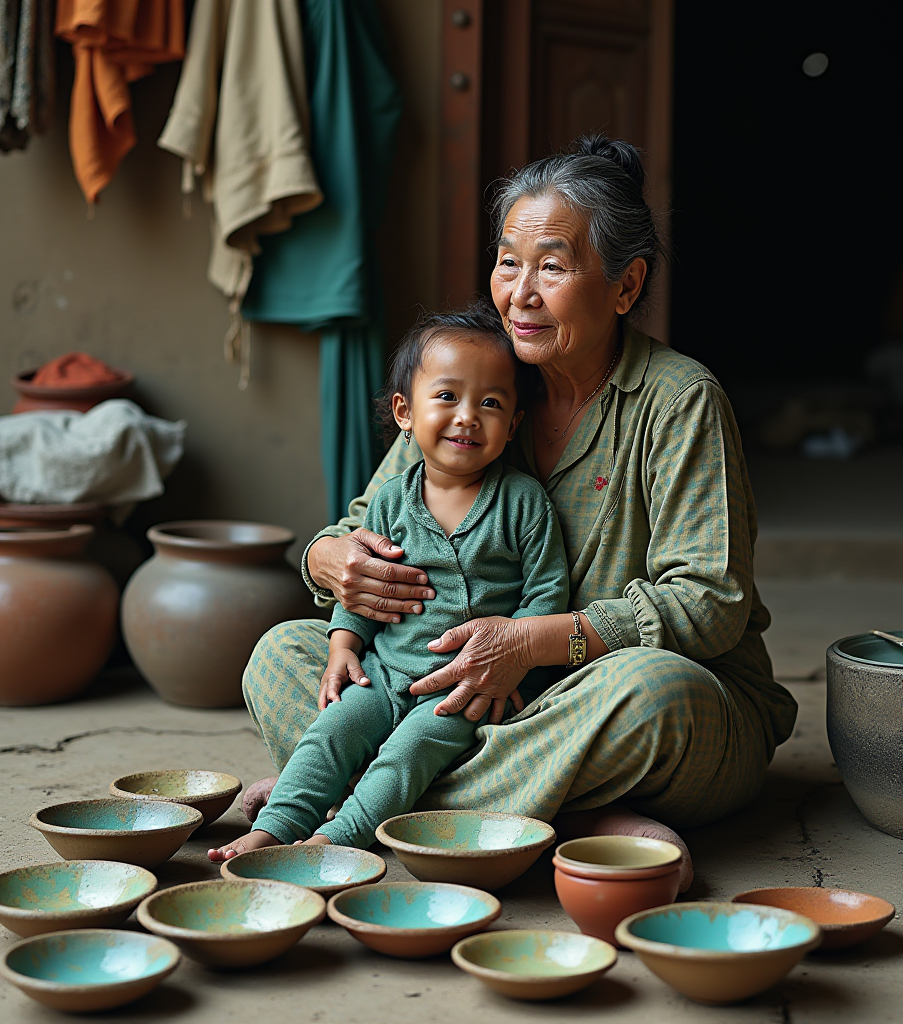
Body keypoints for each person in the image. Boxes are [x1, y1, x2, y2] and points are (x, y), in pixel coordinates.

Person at [241, 135, 798, 889]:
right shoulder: (481, 378)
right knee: (283, 652)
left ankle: (353, 795)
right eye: (508, 261)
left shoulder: (678, 401)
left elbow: (710, 603)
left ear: (626, 286)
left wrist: (531, 643)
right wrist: (329, 560)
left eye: (553, 266)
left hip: (614, 703)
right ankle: (556, 818)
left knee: (653, 690)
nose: (520, 293)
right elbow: (362, 521)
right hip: (461, 703)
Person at [210, 305, 568, 860]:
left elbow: (546, 594)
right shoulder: (392, 498)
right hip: (381, 670)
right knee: (330, 733)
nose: (468, 416)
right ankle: (276, 825)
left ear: (514, 424)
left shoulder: (523, 503)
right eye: (447, 397)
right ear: (405, 412)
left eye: (491, 403)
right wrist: (341, 646)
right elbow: (359, 583)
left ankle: (337, 838)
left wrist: (517, 655)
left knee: (407, 753)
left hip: (460, 692)